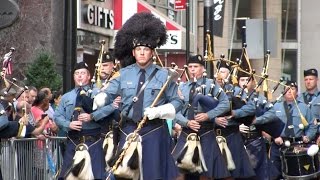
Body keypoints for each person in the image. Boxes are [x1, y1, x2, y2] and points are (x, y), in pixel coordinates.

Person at [104, 12, 183, 180]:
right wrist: (101, 98)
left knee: (152, 175)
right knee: (125, 175)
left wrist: (161, 111)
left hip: (153, 130)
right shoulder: (123, 74)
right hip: (128, 129)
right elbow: (108, 93)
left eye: (145, 49)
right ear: (133, 53)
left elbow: (178, 102)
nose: (141, 52)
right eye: (138, 49)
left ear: (152, 53)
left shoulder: (164, 75)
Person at [172, 54, 231, 179]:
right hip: (186, 131)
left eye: (196, 66)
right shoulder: (182, 87)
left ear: (203, 69)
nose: (193, 69)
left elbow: (225, 104)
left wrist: (208, 115)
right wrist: (186, 122)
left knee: (206, 172)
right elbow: (174, 110)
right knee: (177, 171)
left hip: (206, 131)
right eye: (190, 66)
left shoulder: (212, 85)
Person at [54, 62, 107, 179]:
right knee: (65, 176)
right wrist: (68, 124)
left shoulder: (97, 94)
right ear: (73, 77)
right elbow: (57, 116)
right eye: (77, 73)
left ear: (88, 76)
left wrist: (92, 116)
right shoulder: (66, 97)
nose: (79, 76)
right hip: (73, 141)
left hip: (93, 141)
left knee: (98, 176)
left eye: (83, 73)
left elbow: (106, 112)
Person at [214, 58, 256, 179]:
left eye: (222, 71)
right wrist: (214, 119)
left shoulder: (237, 91)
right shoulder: (208, 89)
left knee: (234, 172)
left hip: (231, 134)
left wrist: (234, 113)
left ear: (229, 74)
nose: (219, 74)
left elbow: (251, 108)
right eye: (218, 71)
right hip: (211, 135)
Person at [270, 81, 317, 179]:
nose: (289, 91)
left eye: (292, 89)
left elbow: (312, 125)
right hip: (279, 145)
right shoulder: (275, 106)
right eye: (286, 89)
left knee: (296, 174)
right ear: (283, 92)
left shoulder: (304, 108)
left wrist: (308, 136)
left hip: (297, 146)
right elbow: (268, 124)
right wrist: (274, 136)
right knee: (274, 174)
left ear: (297, 92)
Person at [297, 69, 320, 143]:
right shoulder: (298, 98)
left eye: (311, 79)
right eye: (306, 79)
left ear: (317, 80)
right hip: (301, 137)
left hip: (318, 136)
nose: (308, 82)